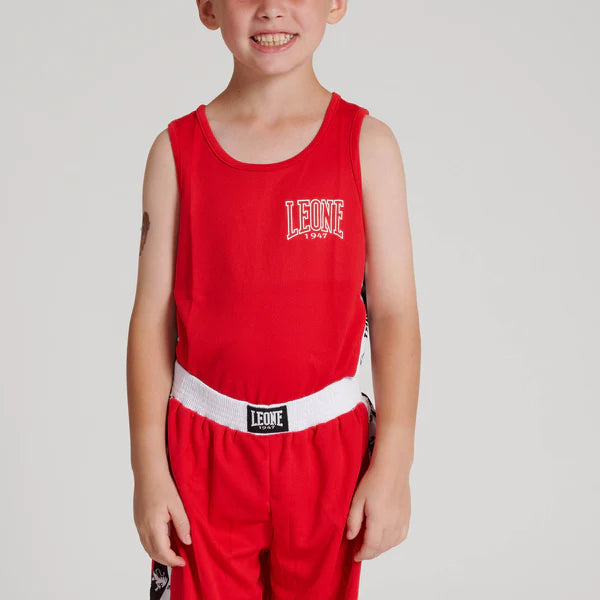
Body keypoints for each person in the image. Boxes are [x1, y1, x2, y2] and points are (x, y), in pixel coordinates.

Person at [126, 0, 420, 598]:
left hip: (326, 452)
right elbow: (151, 320)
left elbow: (394, 313)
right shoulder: (176, 152)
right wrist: (148, 469)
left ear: (336, 3)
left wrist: (394, 460)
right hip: (204, 452)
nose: (271, 9)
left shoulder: (368, 146)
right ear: (207, 7)